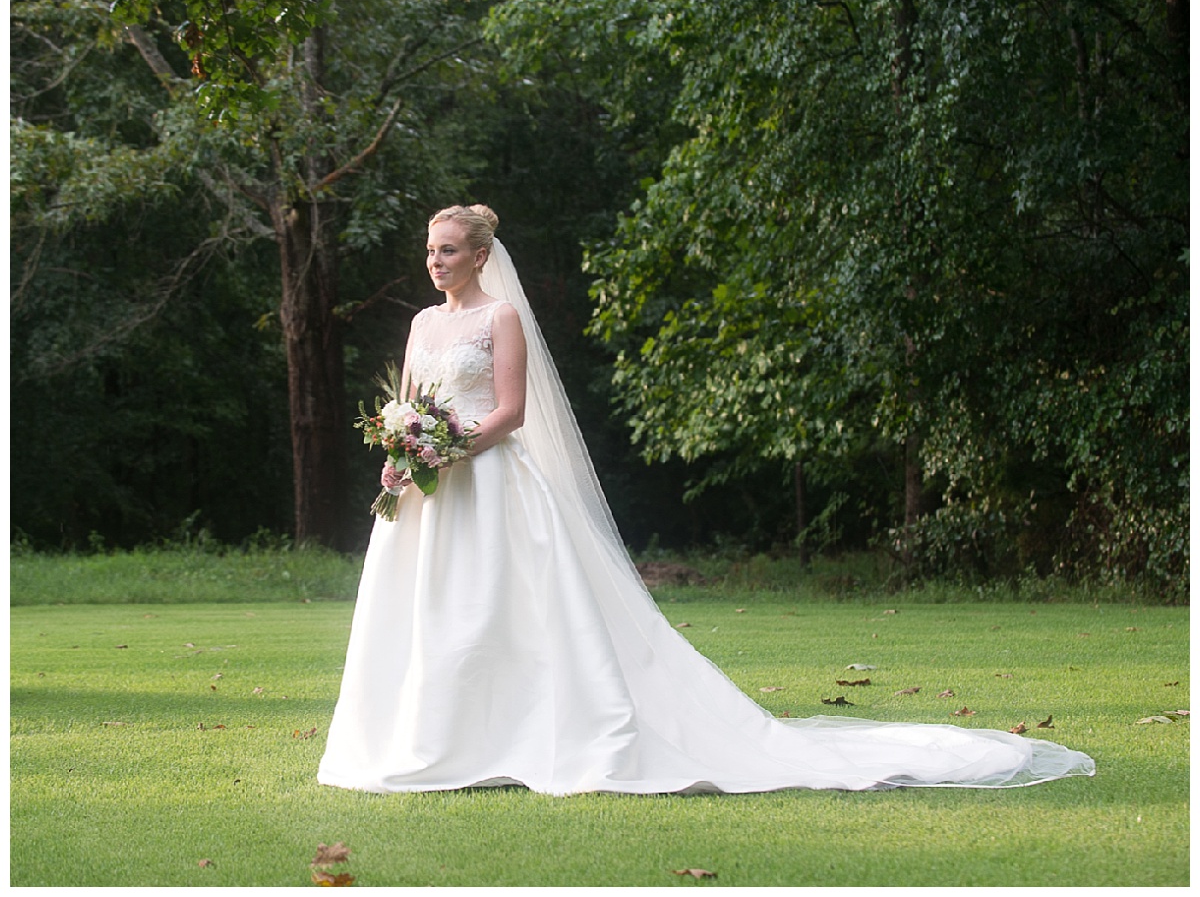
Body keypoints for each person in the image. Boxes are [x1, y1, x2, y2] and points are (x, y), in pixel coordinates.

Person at [317, 204, 1096, 795]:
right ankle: (433, 740)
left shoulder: (501, 317)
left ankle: (517, 738)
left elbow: (511, 412)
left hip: (490, 483)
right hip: (428, 493)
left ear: (481, 255)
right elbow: (410, 402)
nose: (434, 262)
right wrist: (400, 454)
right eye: (429, 251)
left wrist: (449, 448)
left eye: (447, 250)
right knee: (427, 615)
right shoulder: (422, 323)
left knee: (500, 610)